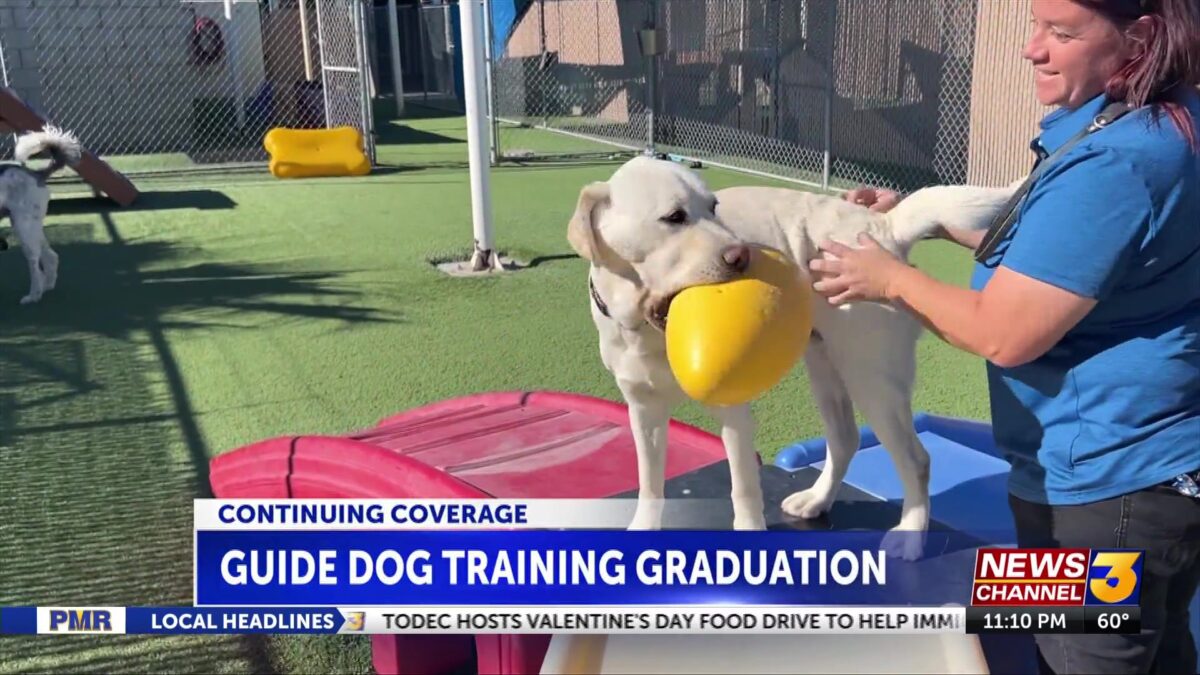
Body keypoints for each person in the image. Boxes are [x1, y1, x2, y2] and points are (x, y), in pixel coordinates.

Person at [810, 0, 1200, 673]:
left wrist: (890, 280)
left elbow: (1005, 331)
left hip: (1105, 493)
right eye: (1033, 23)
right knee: (1162, 647)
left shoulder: (1118, 161)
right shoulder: (1171, 116)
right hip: (1165, 467)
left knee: (1085, 656)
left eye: (1062, 33)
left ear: (1138, 36)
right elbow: (1064, 251)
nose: (1032, 49)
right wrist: (915, 218)